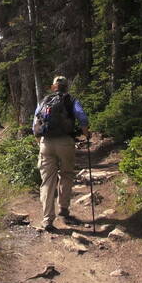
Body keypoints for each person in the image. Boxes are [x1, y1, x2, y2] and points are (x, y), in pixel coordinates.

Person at [33, 76, 90, 232]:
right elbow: (82, 117)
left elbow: (34, 125)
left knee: (47, 181)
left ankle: (47, 220)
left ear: (53, 87)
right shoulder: (71, 100)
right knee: (66, 174)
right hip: (65, 142)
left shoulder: (44, 101)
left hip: (46, 143)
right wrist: (86, 134)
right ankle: (63, 208)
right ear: (66, 87)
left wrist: (40, 141)